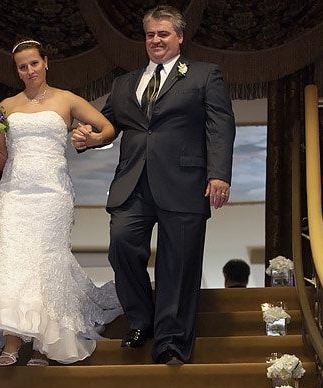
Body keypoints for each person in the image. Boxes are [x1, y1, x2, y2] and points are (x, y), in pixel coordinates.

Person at [71, 5, 235, 366]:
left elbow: (220, 127)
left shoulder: (206, 75)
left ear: (179, 37)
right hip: (133, 184)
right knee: (122, 246)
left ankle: (172, 342)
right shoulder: (123, 83)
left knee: (178, 264)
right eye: (150, 34)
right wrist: (87, 137)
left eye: (163, 34)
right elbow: (107, 125)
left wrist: (219, 173)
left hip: (185, 183)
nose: (156, 40)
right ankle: (142, 321)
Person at [0, 39, 122, 367]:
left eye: (34, 64)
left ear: (46, 62)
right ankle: (12, 341)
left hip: (52, 195)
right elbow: (0, 159)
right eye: (22, 67)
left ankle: (44, 344)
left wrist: (93, 138)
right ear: (17, 71)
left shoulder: (66, 99)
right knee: (11, 263)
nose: (29, 71)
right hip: (13, 195)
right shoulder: (6, 106)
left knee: (44, 264)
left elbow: (108, 128)